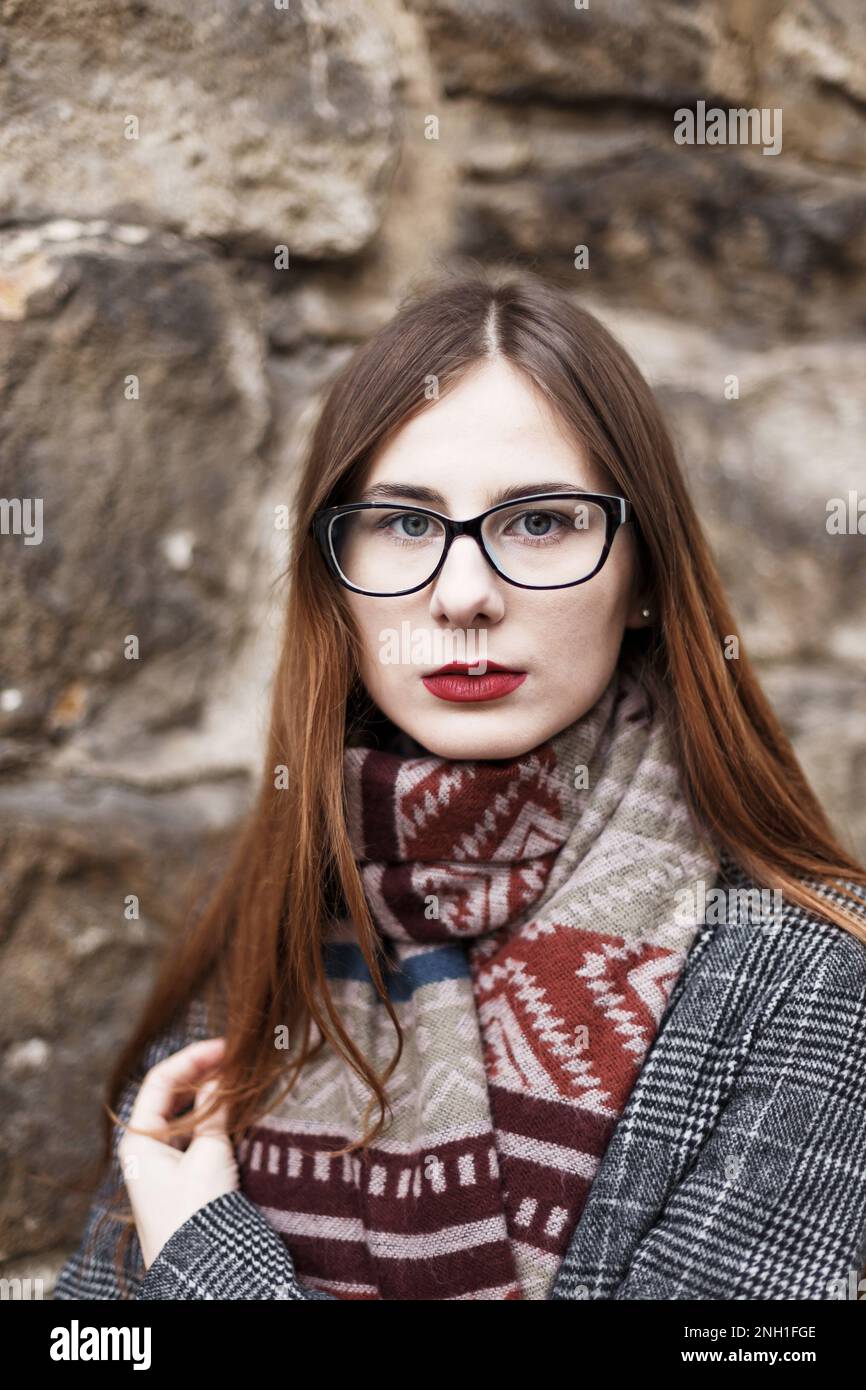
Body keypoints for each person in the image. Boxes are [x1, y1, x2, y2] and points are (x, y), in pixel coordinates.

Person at [54, 268, 866, 1301]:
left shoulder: (802, 974)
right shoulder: (270, 927)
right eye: (402, 523)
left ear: (643, 577)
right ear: (332, 577)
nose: (464, 594)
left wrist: (213, 1266)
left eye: (540, 522)